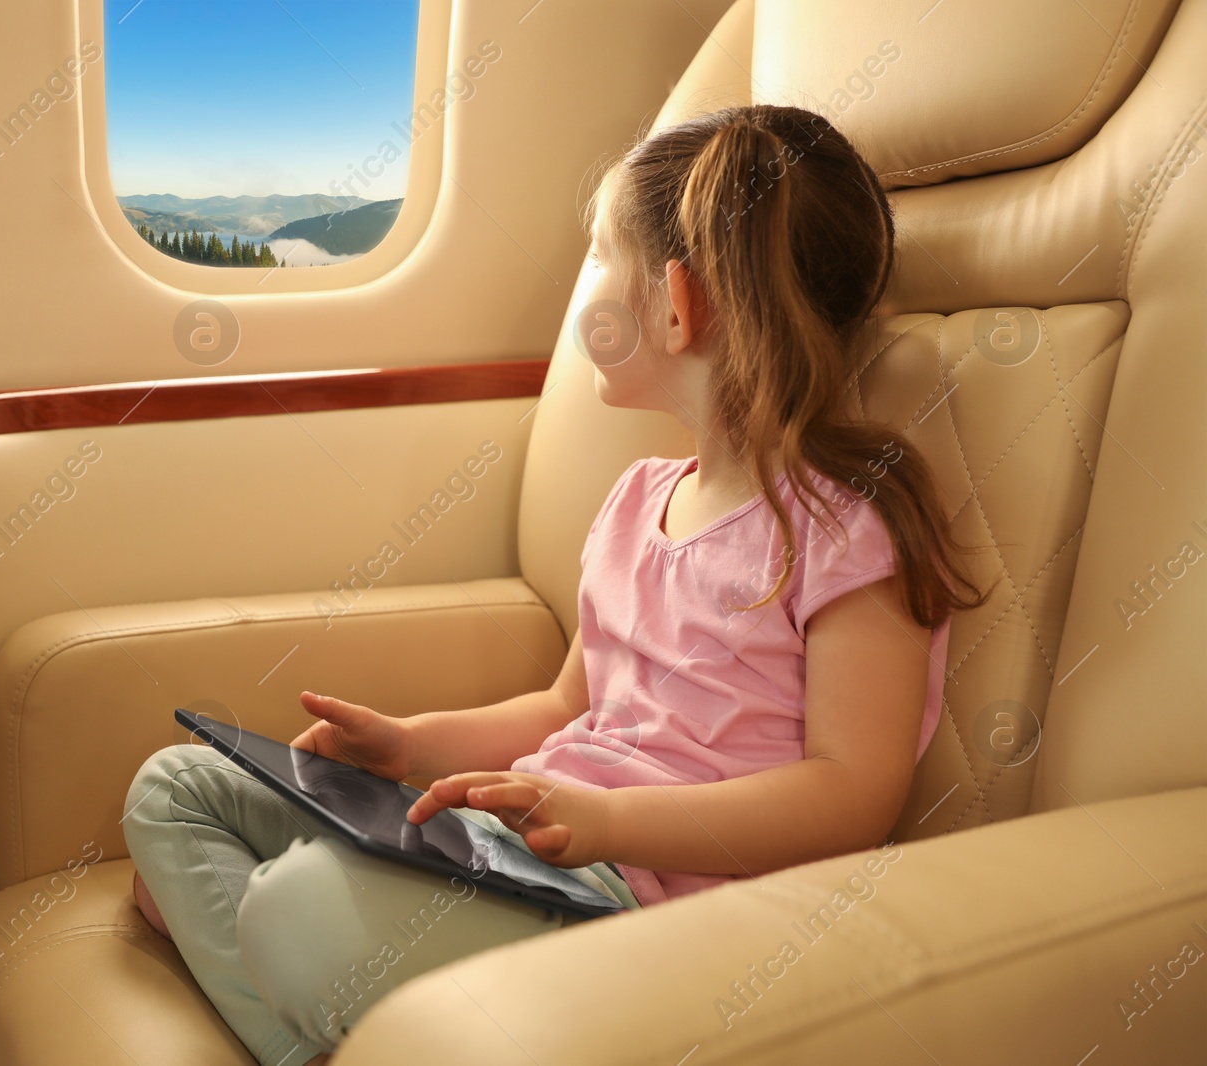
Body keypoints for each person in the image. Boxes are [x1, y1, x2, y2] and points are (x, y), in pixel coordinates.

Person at [122, 102, 997, 1066]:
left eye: (599, 254)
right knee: (178, 789)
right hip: (517, 840)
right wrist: (408, 746)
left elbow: (851, 793)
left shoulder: (845, 525)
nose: (585, 290)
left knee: (292, 911)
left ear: (674, 304)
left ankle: (309, 976)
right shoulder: (635, 501)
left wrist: (609, 821)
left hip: (632, 908)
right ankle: (329, 1024)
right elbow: (561, 706)